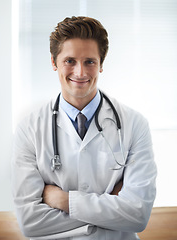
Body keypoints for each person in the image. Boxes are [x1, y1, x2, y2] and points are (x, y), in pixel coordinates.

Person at [11, 16, 157, 240]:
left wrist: (63, 200)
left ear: (101, 64)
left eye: (89, 61)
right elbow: (30, 222)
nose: (80, 73)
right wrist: (112, 211)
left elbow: (138, 215)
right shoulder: (29, 129)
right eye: (70, 60)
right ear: (53, 62)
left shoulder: (135, 124)